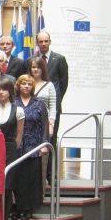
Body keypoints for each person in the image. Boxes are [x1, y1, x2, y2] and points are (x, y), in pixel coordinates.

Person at [0, 79, 24, 220]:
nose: (1, 92)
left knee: (7, 188)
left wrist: (12, 150)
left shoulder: (18, 110)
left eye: (4, 89)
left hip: (10, 149)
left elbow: (19, 135)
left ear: (10, 91)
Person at [14, 75, 49, 220]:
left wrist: (44, 144)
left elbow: (45, 125)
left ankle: (29, 208)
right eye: (23, 83)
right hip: (17, 147)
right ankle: (19, 208)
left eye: (29, 84)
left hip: (34, 147)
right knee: (18, 179)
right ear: (18, 85)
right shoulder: (14, 102)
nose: (26, 86)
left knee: (31, 179)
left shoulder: (39, 103)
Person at [33, 31, 69, 166]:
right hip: (35, 109)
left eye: (46, 41)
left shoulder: (59, 59)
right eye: (41, 41)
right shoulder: (32, 59)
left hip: (53, 107)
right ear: (37, 42)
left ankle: (51, 173)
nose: (43, 44)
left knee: (51, 141)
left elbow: (63, 83)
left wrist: (55, 99)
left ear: (50, 42)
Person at [29, 56, 57, 140]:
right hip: (28, 122)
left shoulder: (49, 85)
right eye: (33, 67)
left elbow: (52, 107)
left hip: (44, 122)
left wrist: (51, 124)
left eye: (38, 67)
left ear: (43, 69)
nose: (36, 69)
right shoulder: (26, 84)